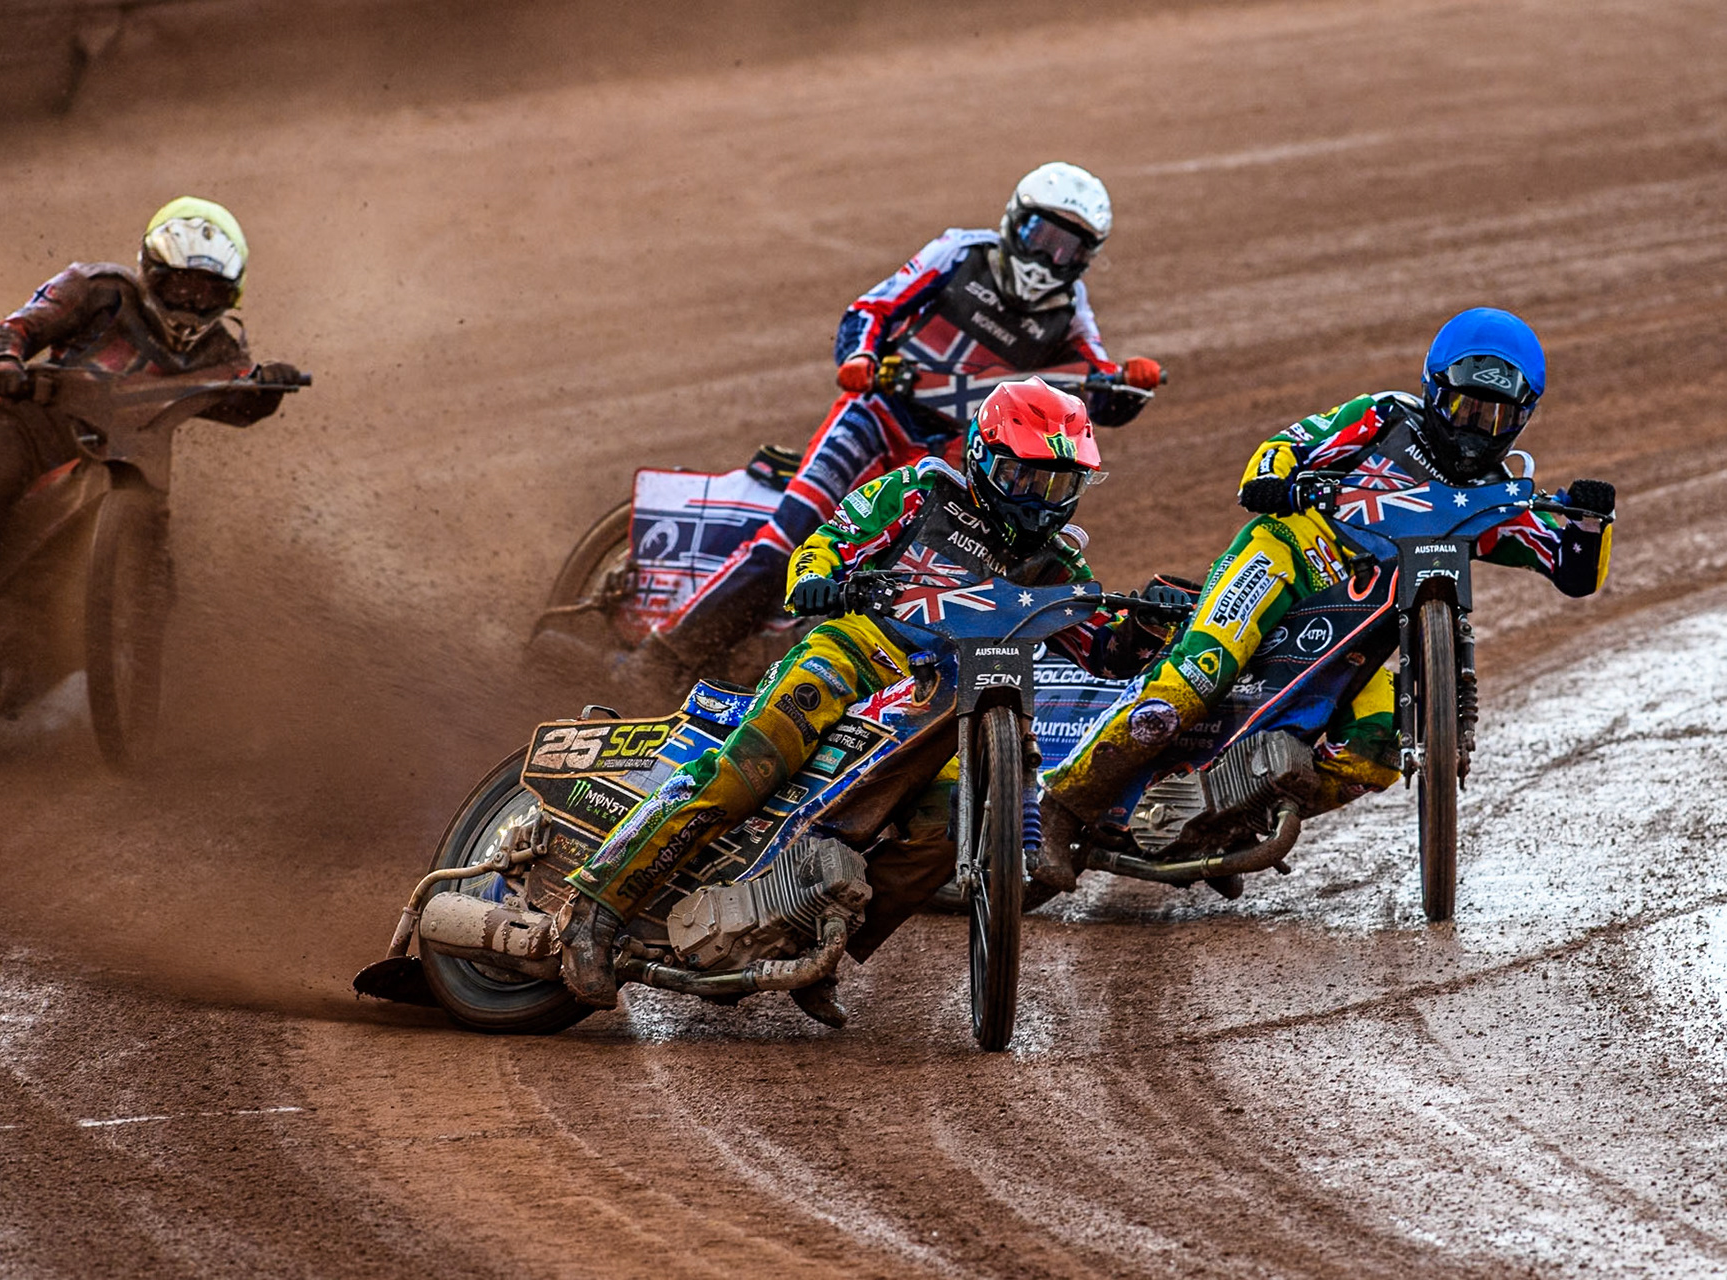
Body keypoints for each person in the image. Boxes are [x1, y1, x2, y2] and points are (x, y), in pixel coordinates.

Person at [561, 378, 1189, 1023]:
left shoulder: (1062, 569)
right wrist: (818, 582)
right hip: (860, 649)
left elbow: (1106, 654)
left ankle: (815, 949)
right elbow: (828, 543)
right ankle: (595, 908)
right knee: (748, 770)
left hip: (953, 700)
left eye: (1058, 485)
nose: (1040, 500)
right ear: (983, 456)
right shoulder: (920, 491)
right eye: (1025, 478)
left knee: (945, 832)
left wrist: (1150, 621)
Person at [1033, 308, 1616, 892]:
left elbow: (1573, 570)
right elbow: (1287, 445)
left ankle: (1230, 813)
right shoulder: (1384, 419)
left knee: (1379, 744)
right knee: (1194, 676)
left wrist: (1592, 520)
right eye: (1466, 407)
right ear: (1435, 390)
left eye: (1497, 417)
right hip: (1286, 556)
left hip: (1360, 632)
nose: (1476, 430)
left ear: (1523, 417)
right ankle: (1063, 805)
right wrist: (1277, 478)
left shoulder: (1496, 496)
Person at [628, 162, 1165, 681]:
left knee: (922, 569)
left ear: (1086, 257)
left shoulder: (1070, 309)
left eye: (1068, 247)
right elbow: (872, 309)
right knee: (788, 542)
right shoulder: (961, 251)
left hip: (950, 449)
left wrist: (1130, 384)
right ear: (1013, 219)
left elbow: (1090, 385)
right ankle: (658, 659)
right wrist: (858, 359)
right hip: (876, 415)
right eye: (1041, 234)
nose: (1050, 256)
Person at [0, 197, 300, 751]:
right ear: (149, 272)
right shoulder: (98, 290)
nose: (190, 302)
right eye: (179, 285)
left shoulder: (219, 349)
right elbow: (18, 326)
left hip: (127, 466)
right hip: (26, 432)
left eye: (207, 292)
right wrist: (4, 361)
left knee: (158, 587)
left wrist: (267, 389)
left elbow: (239, 401)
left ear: (230, 296)